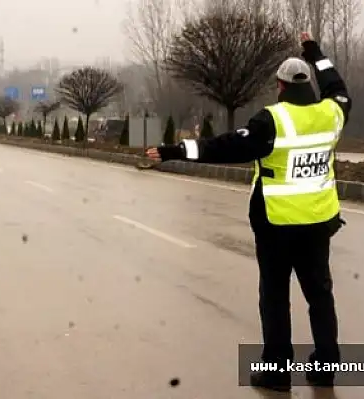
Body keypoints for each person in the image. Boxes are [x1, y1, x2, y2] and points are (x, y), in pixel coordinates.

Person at [145, 32, 350, 392]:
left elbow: (223, 147)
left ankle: (276, 372)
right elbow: (335, 82)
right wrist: (315, 50)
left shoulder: (272, 121)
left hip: (277, 223)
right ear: (309, 85)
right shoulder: (333, 112)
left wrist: (174, 150)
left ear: (280, 87)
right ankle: (326, 363)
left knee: (274, 295)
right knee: (319, 292)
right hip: (319, 222)